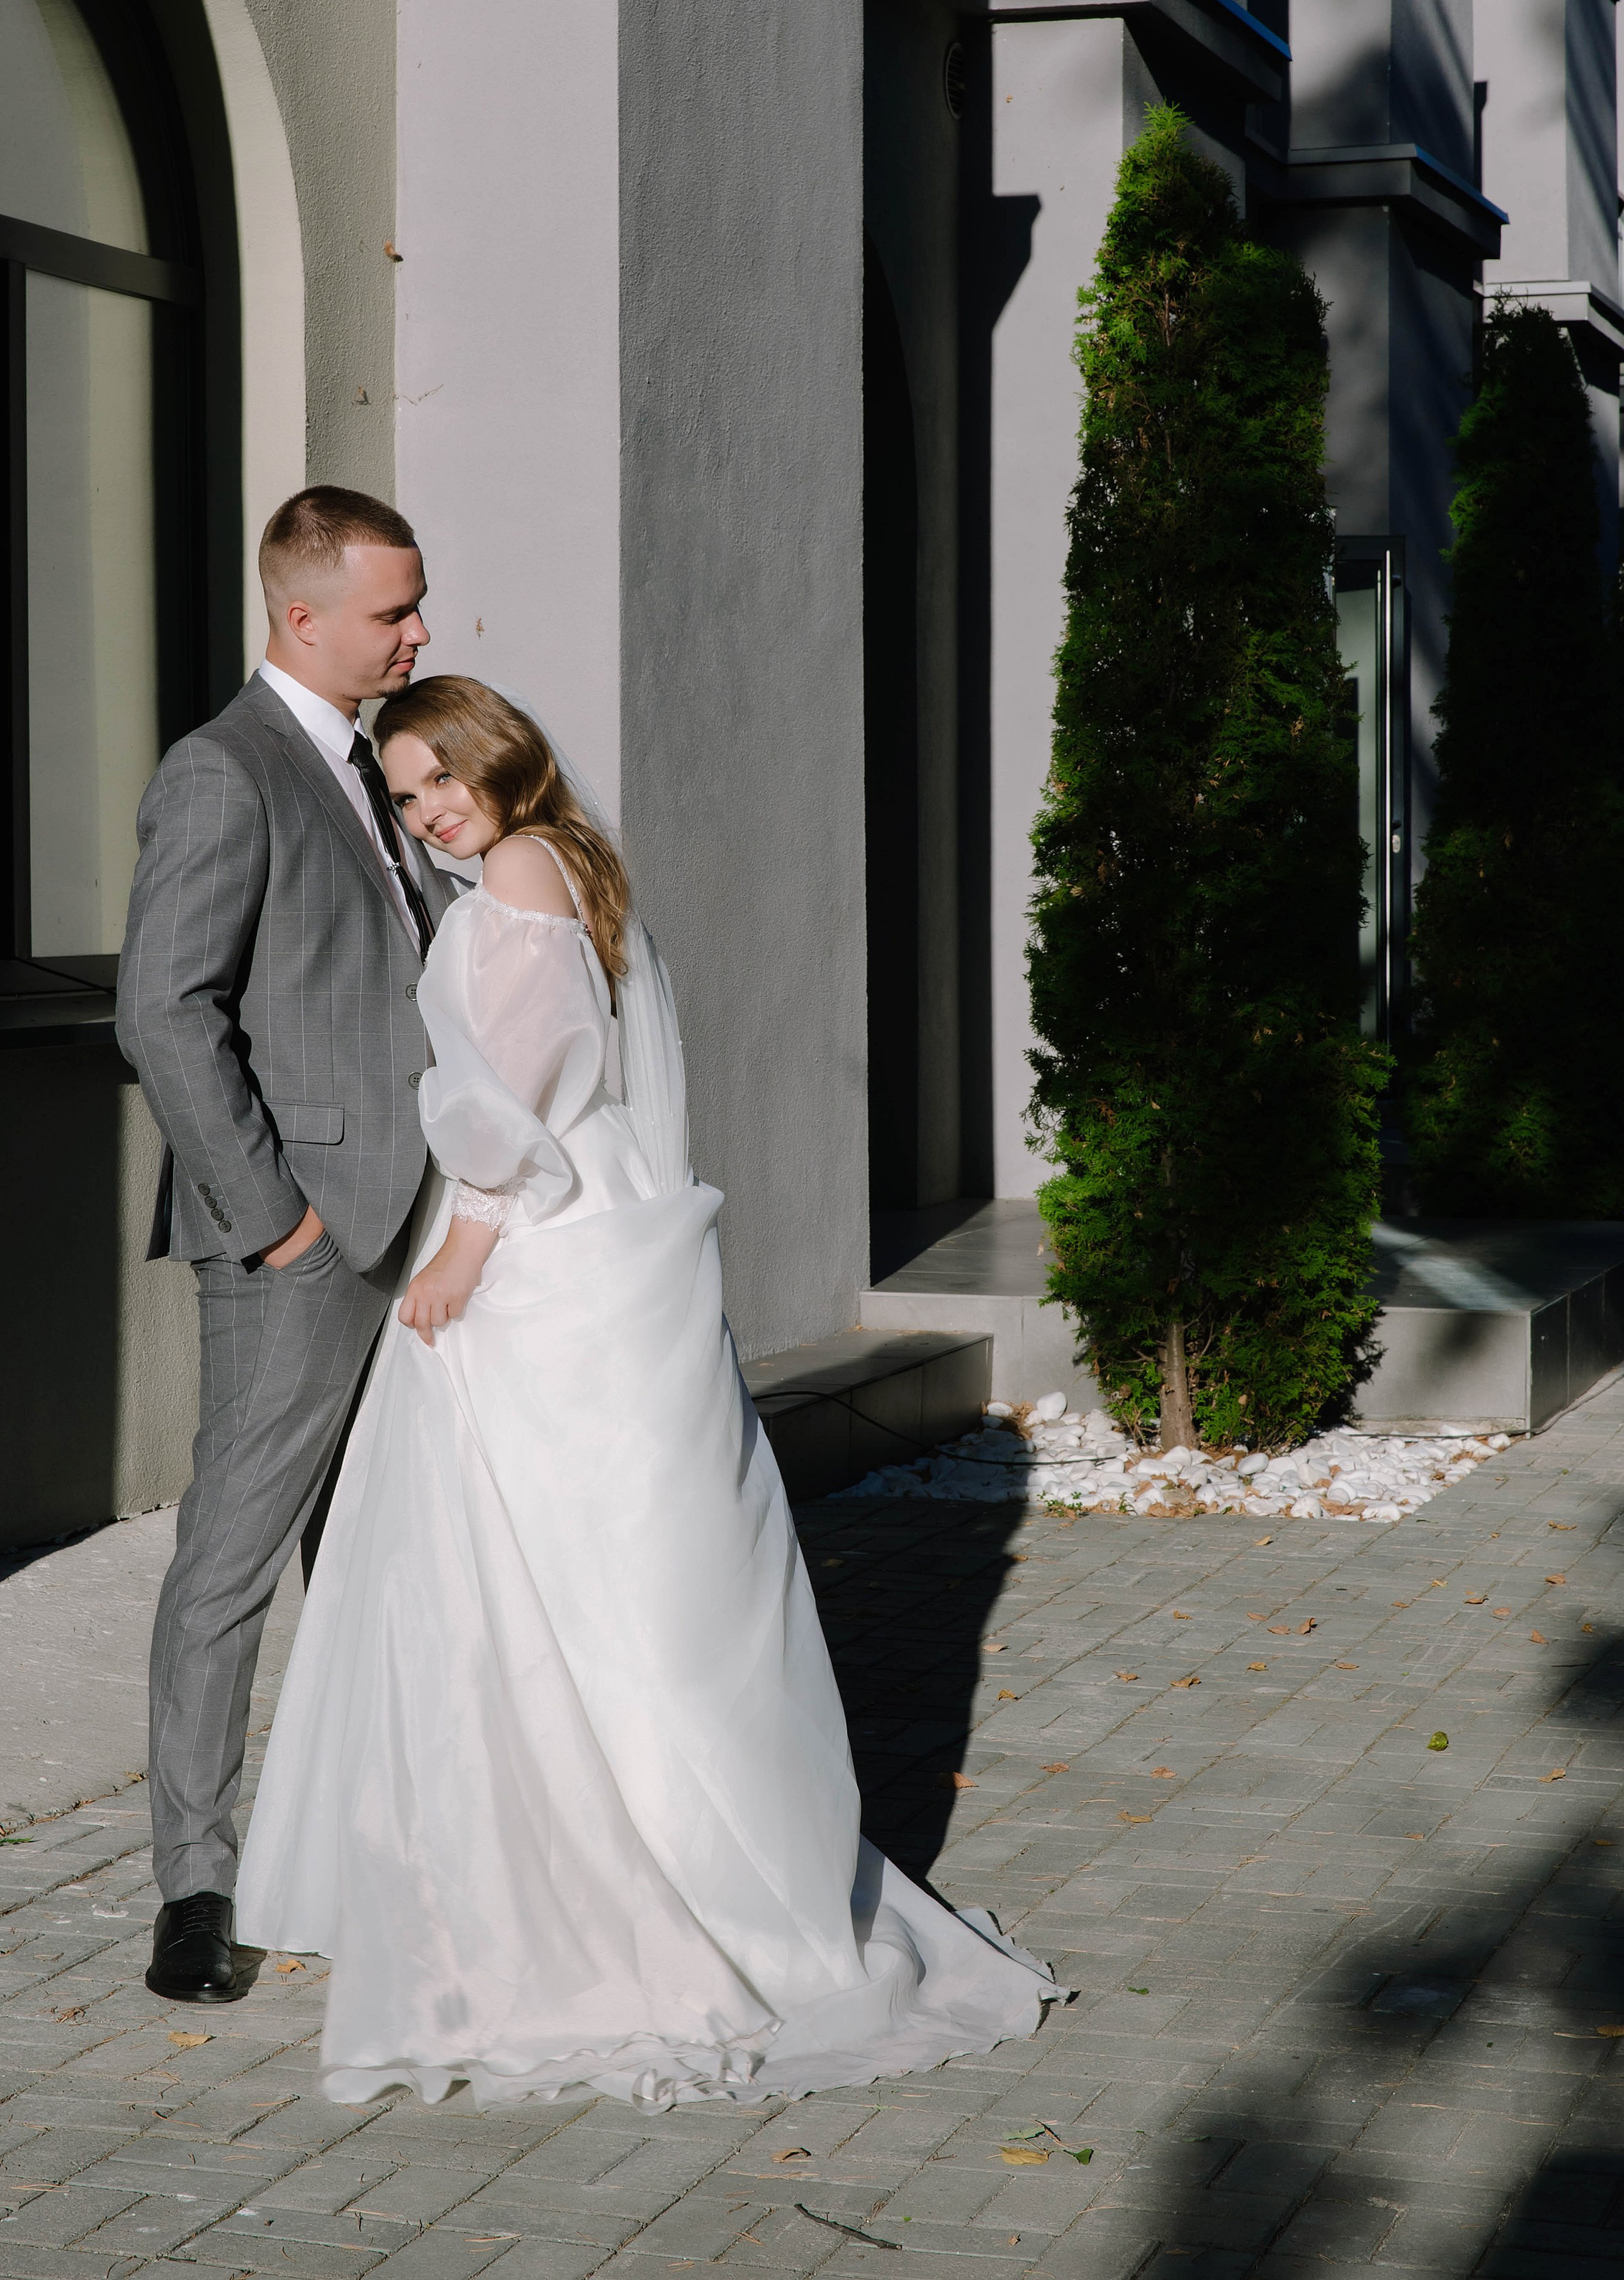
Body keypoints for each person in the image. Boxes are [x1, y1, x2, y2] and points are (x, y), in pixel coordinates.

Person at [235, 675, 1061, 2108]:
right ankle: (637, 1867)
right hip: (590, 1225)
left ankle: (588, 1901)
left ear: (500, 764)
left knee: (534, 1571)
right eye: (407, 791)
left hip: (536, 1243)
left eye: (443, 780)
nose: (429, 813)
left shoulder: (516, 869)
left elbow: (533, 1080)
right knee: (608, 1570)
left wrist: (465, 1249)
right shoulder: (567, 857)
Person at [116, 485, 453, 2008]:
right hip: (299, 1241)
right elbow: (162, 1011)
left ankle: (373, 1844)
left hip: (421, 1227)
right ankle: (196, 1885)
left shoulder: (382, 767)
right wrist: (282, 1227)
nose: (418, 632)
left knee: (382, 1553)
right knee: (231, 1565)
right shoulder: (223, 768)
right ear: (298, 615)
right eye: (393, 611)